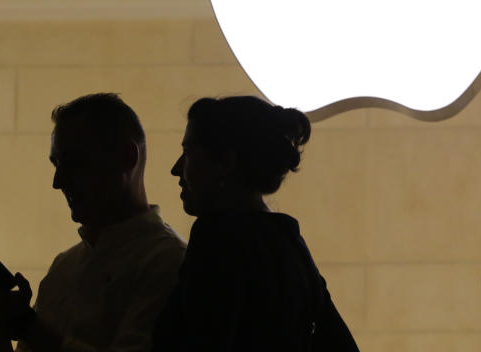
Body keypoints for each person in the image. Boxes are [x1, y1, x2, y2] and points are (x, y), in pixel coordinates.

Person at [0, 93, 187, 352]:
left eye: (74, 162)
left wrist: (25, 325)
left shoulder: (169, 264)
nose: (58, 182)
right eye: (56, 164)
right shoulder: (63, 267)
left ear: (127, 158)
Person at [152, 96, 358, 352]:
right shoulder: (291, 244)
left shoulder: (218, 237)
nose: (176, 169)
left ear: (227, 163)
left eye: (188, 153)